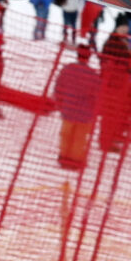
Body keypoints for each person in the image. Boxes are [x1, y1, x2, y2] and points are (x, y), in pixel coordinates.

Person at [57, 41, 101, 169]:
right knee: (80, 138)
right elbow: (96, 95)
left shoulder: (67, 69)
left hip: (68, 108)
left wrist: (60, 103)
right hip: (85, 112)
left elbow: (59, 87)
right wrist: (95, 110)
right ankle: (75, 160)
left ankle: (63, 157)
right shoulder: (93, 75)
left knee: (66, 135)